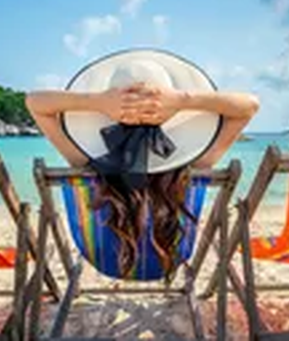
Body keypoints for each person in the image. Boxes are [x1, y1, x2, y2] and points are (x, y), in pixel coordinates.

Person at [26, 49, 258, 279]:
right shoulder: (196, 164)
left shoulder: (84, 160)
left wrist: (97, 101)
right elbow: (249, 106)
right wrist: (182, 100)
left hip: (104, 260)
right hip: (170, 257)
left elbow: (34, 102)